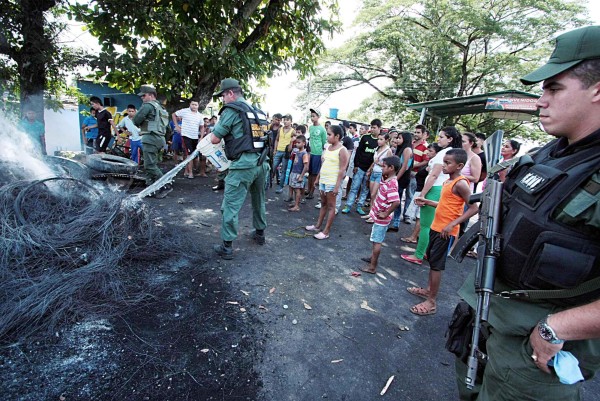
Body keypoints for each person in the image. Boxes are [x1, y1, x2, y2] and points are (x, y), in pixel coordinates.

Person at [454, 25, 600, 401]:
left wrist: (557, 327)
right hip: (485, 322)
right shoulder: (547, 153)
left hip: (534, 352)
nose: (541, 101)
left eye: (554, 88)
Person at [406, 149, 478, 316]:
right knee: (432, 261)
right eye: (444, 162)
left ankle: (431, 302)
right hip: (436, 227)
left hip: (446, 232)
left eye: (448, 163)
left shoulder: (461, 183)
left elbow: (474, 208)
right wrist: (427, 201)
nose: (444, 166)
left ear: (459, 165)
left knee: (437, 266)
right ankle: (428, 290)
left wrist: (452, 224)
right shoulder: (448, 181)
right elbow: (444, 205)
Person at [209, 78, 271, 259]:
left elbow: (214, 139)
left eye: (223, 96)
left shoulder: (232, 110)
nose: (222, 100)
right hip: (262, 163)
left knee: (230, 205)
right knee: (259, 199)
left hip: (243, 165)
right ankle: (260, 234)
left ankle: (226, 247)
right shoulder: (258, 112)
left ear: (230, 93)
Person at [401, 126, 462, 265]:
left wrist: (422, 194)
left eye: (441, 137)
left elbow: (434, 175)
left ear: (450, 139)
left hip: (434, 189)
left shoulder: (444, 154)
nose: (438, 139)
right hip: (440, 189)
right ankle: (425, 253)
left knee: (425, 225)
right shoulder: (450, 153)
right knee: (430, 225)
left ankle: (418, 255)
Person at [305, 124, 349, 240]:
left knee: (331, 207)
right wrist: (318, 178)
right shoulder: (327, 148)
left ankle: (326, 231)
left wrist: (337, 186)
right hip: (324, 181)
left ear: (337, 136)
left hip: (332, 182)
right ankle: (318, 226)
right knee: (323, 204)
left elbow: (342, 169)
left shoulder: (342, 150)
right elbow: (323, 165)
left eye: (329, 134)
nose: (327, 137)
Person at [359, 155, 401, 275]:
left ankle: (372, 267)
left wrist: (386, 213)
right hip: (379, 215)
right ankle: (373, 258)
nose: (382, 169)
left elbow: (396, 201)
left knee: (377, 241)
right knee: (375, 239)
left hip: (382, 217)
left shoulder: (391, 183)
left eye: (384, 167)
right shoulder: (388, 178)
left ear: (391, 168)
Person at [132, 85, 171, 197]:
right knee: (150, 164)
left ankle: (166, 185)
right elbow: (168, 129)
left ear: (151, 95)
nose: (142, 98)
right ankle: (150, 188)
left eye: (143, 96)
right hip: (160, 139)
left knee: (149, 165)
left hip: (150, 138)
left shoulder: (148, 106)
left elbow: (136, 120)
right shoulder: (162, 109)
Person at [401, 143, 443, 244]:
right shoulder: (431, 164)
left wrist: (422, 194)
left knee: (420, 217)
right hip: (420, 190)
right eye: (428, 150)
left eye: (431, 151)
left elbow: (432, 178)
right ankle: (416, 236)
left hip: (423, 192)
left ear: (437, 153)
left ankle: (414, 237)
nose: (428, 152)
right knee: (419, 217)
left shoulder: (435, 167)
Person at [341, 119, 381, 215]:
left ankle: (360, 206)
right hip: (360, 167)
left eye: (374, 127)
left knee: (365, 189)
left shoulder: (380, 140)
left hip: (371, 170)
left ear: (379, 128)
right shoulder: (365, 137)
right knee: (354, 187)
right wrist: (356, 165)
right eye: (371, 127)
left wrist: (371, 169)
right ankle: (348, 205)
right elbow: (358, 152)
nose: (372, 129)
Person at [172, 99, 205, 179]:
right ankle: (190, 173)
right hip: (186, 135)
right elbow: (173, 114)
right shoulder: (184, 111)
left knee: (193, 155)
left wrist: (201, 137)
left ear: (198, 106)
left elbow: (202, 127)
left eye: (196, 105)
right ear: (190, 104)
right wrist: (176, 126)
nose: (194, 106)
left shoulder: (200, 115)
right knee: (189, 154)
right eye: (192, 104)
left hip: (195, 136)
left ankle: (187, 171)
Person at [402, 124, 429, 222]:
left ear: (423, 134)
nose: (416, 134)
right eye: (415, 132)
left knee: (410, 194)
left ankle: (407, 215)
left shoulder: (426, 147)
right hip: (405, 172)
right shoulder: (411, 143)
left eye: (418, 132)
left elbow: (426, 161)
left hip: (414, 173)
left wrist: (413, 166)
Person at [388, 130, 414, 231]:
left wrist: (395, 178)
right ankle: (394, 221)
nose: (397, 140)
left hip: (402, 179)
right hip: (399, 178)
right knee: (394, 199)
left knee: (396, 200)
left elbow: (404, 167)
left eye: (399, 138)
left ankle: (395, 222)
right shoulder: (402, 148)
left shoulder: (407, 149)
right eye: (397, 138)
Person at [364, 131, 393, 222]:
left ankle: (374, 215)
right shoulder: (377, 148)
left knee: (374, 195)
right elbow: (374, 161)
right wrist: (370, 169)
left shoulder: (388, 150)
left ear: (386, 140)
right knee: (372, 195)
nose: (379, 141)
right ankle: (370, 213)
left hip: (381, 174)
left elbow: (389, 165)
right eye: (378, 139)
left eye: (381, 139)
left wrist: (379, 164)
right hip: (374, 172)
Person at [306, 108, 327, 199]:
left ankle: (312, 192)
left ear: (318, 117)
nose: (312, 118)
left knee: (314, 173)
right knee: (309, 172)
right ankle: (308, 189)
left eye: (314, 116)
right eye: (311, 116)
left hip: (318, 153)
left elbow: (324, 142)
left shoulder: (322, 129)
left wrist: (322, 153)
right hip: (310, 152)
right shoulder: (310, 127)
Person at [272, 114, 295, 193]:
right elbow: (277, 140)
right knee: (273, 168)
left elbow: (294, 142)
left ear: (291, 121)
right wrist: (275, 150)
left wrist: (290, 146)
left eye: (287, 120)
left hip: (286, 153)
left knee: (283, 170)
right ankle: (267, 183)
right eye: (284, 120)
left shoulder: (293, 131)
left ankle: (280, 187)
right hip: (278, 151)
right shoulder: (280, 129)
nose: (285, 121)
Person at [288, 135, 309, 212]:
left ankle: (297, 205)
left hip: (298, 173)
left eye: (299, 143)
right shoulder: (297, 151)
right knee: (293, 187)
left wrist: (301, 176)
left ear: (304, 143)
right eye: (296, 143)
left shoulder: (304, 153)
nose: (297, 144)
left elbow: (306, 166)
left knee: (297, 189)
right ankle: (295, 202)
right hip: (294, 172)